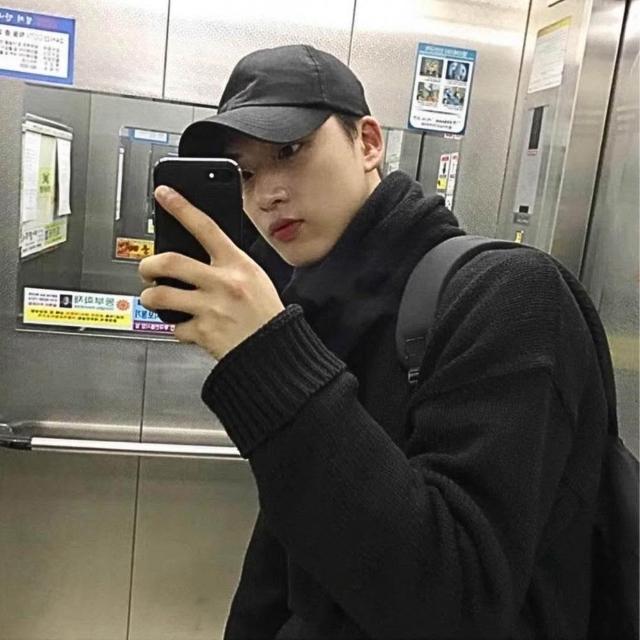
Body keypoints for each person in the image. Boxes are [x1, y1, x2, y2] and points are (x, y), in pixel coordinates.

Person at [139, 44, 607, 639]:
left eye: (290, 151)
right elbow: (286, 562)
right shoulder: (312, 308)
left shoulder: (510, 296)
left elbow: (456, 601)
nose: (267, 194)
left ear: (367, 143)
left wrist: (269, 360)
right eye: (246, 174)